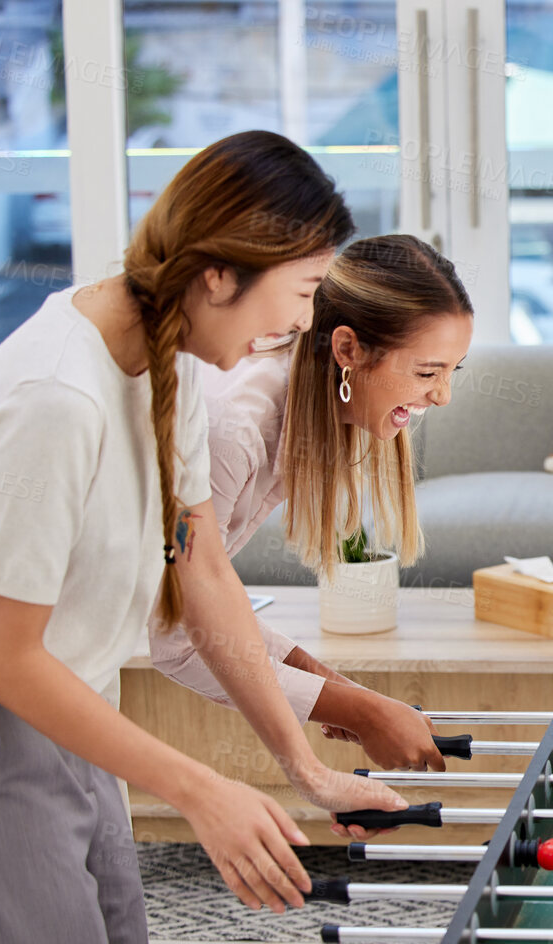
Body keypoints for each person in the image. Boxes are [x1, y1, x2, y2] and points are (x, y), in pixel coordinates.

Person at [0, 130, 406, 944]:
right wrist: (197, 784)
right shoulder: (60, 397)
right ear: (220, 274)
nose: (305, 322)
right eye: (300, 291)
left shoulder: (166, 358)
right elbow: (2, 656)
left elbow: (201, 571)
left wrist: (297, 761)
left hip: (68, 713)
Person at [150, 233, 473, 776]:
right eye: (426, 373)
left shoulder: (298, 413)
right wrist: (359, 711)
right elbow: (179, 637)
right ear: (347, 349)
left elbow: (213, 603)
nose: (442, 396)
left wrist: (339, 690)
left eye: (450, 372)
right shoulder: (235, 432)